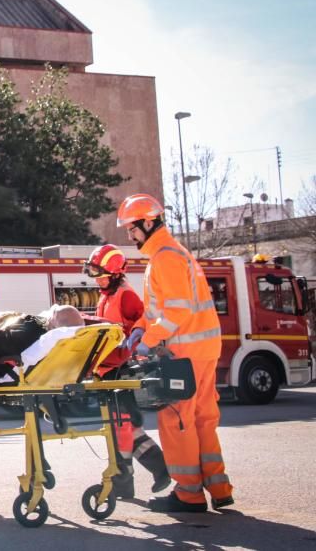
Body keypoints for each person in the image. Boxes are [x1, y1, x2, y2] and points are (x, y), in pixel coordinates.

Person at [117, 193, 234, 513]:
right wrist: (141, 326)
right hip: (203, 350)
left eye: (132, 228)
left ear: (149, 222)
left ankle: (189, 494)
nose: (130, 235)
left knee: (177, 419)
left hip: (185, 354)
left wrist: (147, 341)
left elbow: (176, 312)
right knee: (203, 418)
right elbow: (160, 309)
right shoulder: (173, 253)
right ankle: (219, 487)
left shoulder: (166, 257)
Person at [84, 244, 170, 498]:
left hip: (119, 369)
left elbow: (142, 324)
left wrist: (134, 342)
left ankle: (154, 469)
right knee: (118, 426)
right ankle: (127, 478)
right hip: (106, 369)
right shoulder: (106, 296)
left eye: (100, 274)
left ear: (114, 273)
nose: (96, 279)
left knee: (123, 425)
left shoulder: (126, 295)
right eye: (94, 274)